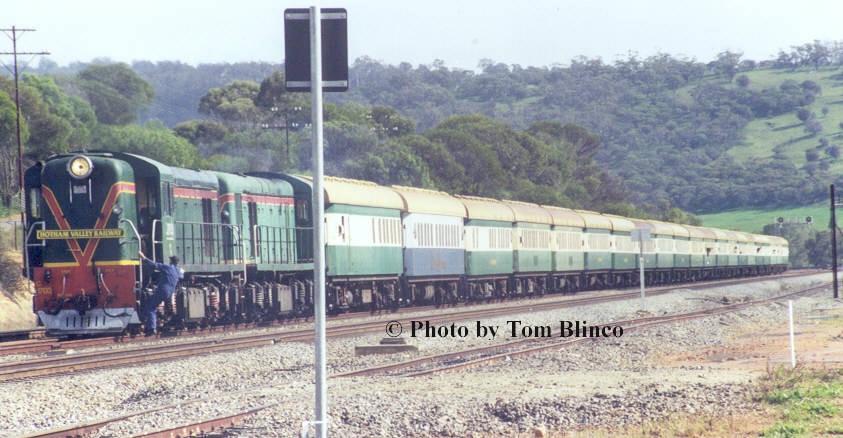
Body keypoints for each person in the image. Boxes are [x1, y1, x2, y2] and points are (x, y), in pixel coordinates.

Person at [138, 251, 181, 336]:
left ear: (171, 261)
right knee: (150, 300)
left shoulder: (167, 267)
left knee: (151, 307)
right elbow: (181, 276)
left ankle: (151, 328)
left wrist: (143, 257)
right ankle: (157, 320)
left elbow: (154, 265)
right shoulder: (178, 271)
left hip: (163, 291)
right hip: (170, 293)